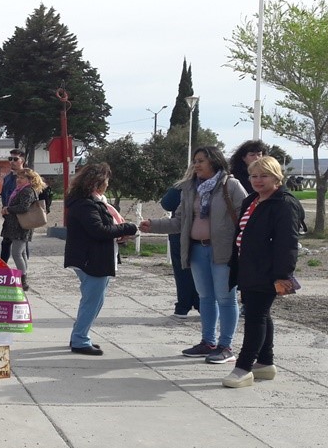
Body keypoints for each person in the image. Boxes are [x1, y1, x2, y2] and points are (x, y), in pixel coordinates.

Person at [140, 146, 248, 364]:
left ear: (215, 162)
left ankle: (225, 346)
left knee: (226, 298)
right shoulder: (190, 188)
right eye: (194, 161)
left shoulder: (231, 185)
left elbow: (246, 215)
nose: (196, 165)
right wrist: (152, 225)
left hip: (224, 252)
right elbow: (179, 221)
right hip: (197, 250)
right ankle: (208, 342)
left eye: (201, 160)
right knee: (205, 297)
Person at [222, 156, 300, 388]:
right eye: (253, 175)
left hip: (267, 271)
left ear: (277, 177)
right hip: (248, 268)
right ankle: (265, 362)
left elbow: (287, 243)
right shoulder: (252, 201)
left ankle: (243, 368)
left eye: (263, 175)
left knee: (255, 317)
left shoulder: (284, 204)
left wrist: (282, 274)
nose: (257, 180)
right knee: (261, 315)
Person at [64, 163, 138, 356]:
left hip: (94, 257)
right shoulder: (86, 203)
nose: (107, 184)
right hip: (92, 259)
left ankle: (79, 335)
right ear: (97, 182)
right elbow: (98, 230)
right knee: (92, 301)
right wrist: (127, 228)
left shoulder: (89, 201)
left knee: (94, 300)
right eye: (105, 180)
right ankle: (80, 339)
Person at [1, 168, 44, 290]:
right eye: (18, 177)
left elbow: (23, 207)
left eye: (22, 178)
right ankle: (24, 276)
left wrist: (8, 209)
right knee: (22, 252)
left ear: (29, 180)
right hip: (17, 225)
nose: (18, 180)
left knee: (17, 253)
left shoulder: (27, 191)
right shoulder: (20, 190)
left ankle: (23, 279)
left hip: (21, 226)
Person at [160, 185, 200, 318]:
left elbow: (167, 203)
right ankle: (201, 304)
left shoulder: (183, 185)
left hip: (182, 232)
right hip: (201, 233)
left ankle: (183, 305)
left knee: (182, 270)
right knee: (201, 271)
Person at [0, 149, 27, 263]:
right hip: (9, 216)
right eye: (10, 159)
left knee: (22, 248)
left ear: (22, 160)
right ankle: (2, 271)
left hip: (23, 216)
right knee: (5, 243)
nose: (12, 161)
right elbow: (4, 195)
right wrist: (4, 208)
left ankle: (23, 274)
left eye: (15, 159)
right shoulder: (7, 178)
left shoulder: (28, 176)